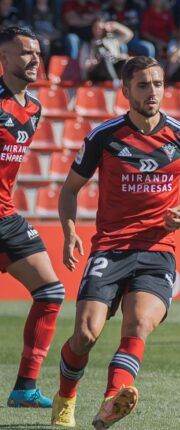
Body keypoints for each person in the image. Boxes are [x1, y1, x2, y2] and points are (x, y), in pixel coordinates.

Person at [50, 56, 180, 429]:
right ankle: (65, 397)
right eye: (143, 85)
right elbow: (70, 190)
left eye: (158, 84)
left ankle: (111, 400)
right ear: (125, 90)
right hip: (110, 248)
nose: (153, 92)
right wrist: (70, 231)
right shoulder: (104, 136)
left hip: (157, 250)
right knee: (86, 334)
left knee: (138, 326)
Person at [0, 26, 64, 410]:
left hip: (6, 217)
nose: (34, 59)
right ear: (4, 59)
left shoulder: (34, 109)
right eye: (25, 53)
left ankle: (25, 388)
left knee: (51, 292)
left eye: (37, 52)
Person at [79, 19, 132, 83]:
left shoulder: (112, 41)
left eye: (101, 28)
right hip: (96, 74)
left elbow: (129, 34)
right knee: (105, 59)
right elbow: (84, 65)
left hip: (113, 67)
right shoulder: (88, 44)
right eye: (96, 28)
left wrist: (115, 25)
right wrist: (94, 62)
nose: (98, 30)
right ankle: (115, 83)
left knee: (126, 60)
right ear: (92, 29)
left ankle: (123, 83)